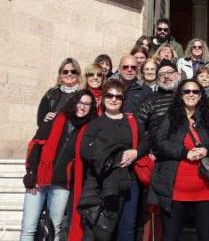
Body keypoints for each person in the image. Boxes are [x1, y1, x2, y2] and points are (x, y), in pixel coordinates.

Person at [148, 79, 209, 241]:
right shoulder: (170, 118)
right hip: (175, 191)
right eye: (187, 91)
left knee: (206, 237)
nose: (191, 94)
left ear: (200, 96)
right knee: (170, 237)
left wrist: (208, 150)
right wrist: (185, 153)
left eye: (195, 92)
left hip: (205, 191)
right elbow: (159, 142)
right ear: (180, 95)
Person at [20, 90, 97, 241]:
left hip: (62, 184)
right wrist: (31, 172)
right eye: (80, 102)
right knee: (28, 228)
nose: (83, 107)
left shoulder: (89, 129)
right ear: (74, 103)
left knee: (55, 229)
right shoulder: (56, 120)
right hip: (38, 180)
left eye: (87, 104)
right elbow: (36, 145)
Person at [78, 79, 148, 241]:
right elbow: (85, 150)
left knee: (127, 226)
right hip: (102, 182)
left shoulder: (132, 121)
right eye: (110, 95)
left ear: (123, 100)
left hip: (129, 181)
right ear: (103, 98)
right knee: (101, 228)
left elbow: (146, 142)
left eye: (118, 96)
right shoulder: (95, 124)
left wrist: (135, 152)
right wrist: (112, 157)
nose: (114, 99)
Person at [110, 55, 152, 240]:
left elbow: (150, 127)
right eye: (125, 66)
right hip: (110, 161)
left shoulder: (145, 91)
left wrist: (138, 151)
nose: (129, 70)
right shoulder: (109, 88)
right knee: (108, 219)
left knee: (129, 221)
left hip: (134, 160)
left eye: (133, 67)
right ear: (119, 68)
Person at [36, 57, 83, 127]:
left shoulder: (84, 94)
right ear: (60, 75)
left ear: (78, 74)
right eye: (65, 72)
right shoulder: (51, 94)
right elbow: (40, 121)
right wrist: (45, 119)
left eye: (73, 71)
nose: (69, 74)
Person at [139, 59, 181, 136]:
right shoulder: (149, 101)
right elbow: (140, 128)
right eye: (162, 74)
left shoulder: (188, 96)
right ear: (157, 79)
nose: (166, 76)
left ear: (178, 75)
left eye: (170, 72)